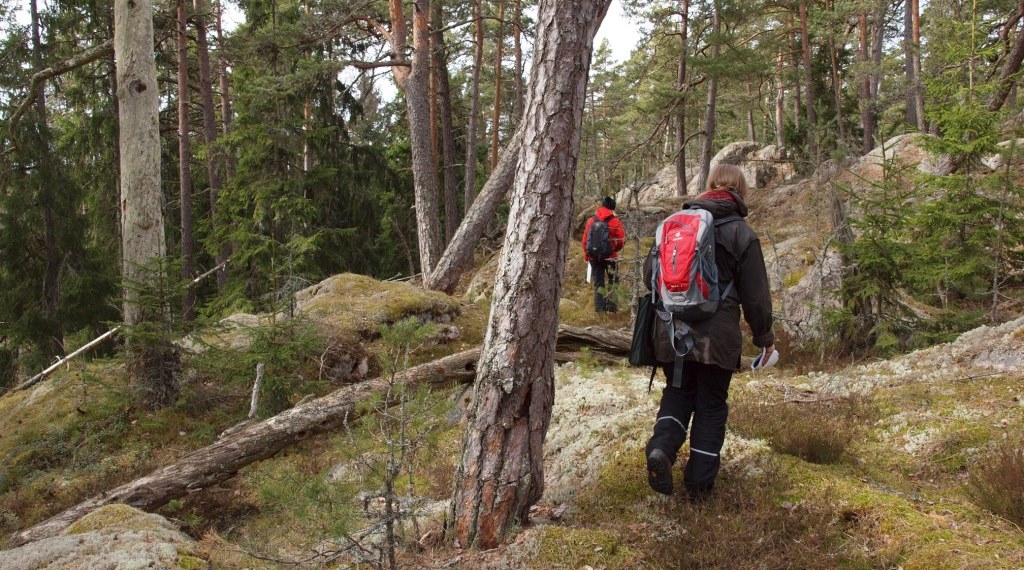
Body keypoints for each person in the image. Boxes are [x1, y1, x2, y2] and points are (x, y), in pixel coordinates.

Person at [643, 163, 775, 500]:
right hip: (716, 338)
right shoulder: (742, 233)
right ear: (740, 191)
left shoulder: (675, 224)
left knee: (677, 392)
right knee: (711, 405)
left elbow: (650, 277)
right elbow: (756, 295)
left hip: (671, 331)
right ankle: (699, 485)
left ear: (710, 185)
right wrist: (765, 339)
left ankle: (661, 448)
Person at [582, 196, 625, 313]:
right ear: (612, 208)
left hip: (594, 257)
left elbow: (585, 241)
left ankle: (600, 310)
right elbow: (621, 239)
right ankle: (611, 308)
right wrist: (614, 249)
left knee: (598, 283)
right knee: (614, 280)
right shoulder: (615, 221)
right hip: (610, 257)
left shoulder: (591, 220)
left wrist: (587, 256)